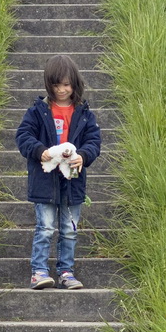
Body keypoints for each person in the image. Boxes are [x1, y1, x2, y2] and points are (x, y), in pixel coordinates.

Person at [15, 55, 101, 289]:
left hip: (73, 180)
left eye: (66, 84)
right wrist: (38, 150)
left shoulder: (84, 113)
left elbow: (94, 141)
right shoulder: (38, 110)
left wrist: (84, 155)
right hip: (44, 179)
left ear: (75, 83)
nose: (61, 90)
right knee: (45, 227)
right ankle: (39, 271)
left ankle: (66, 271)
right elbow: (23, 136)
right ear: (48, 84)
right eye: (55, 84)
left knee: (69, 230)